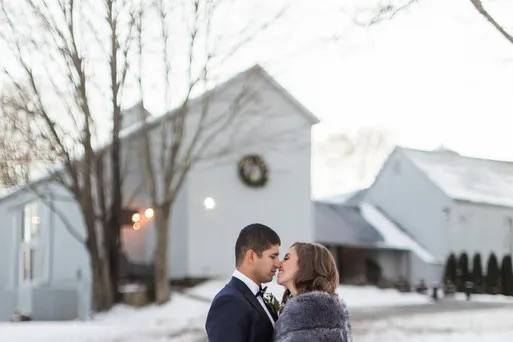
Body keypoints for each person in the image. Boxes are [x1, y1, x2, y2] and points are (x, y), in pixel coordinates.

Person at [206, 223, 281, 342]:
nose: (278, 264)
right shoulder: (229, 302)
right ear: (251, 256)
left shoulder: (259, 296)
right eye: (273, 256)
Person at [274, 242, 352, 342]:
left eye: (286, 258)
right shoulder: (322, 309)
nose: (279, 264)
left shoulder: (308, 313)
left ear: (305, 264)